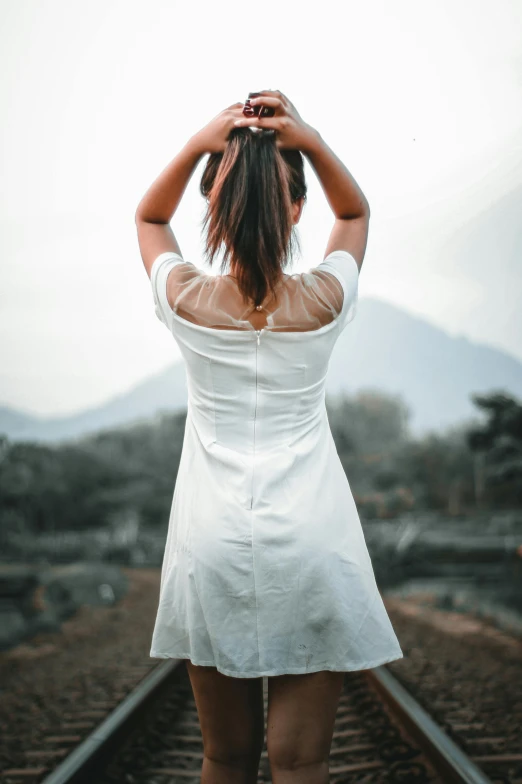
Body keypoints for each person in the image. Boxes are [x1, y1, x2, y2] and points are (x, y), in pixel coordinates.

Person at [135, 90, 403, 784]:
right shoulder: (322, 303)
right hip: (313, 541)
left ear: (215, 211)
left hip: (210, 542)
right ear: (296, 208)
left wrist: (206, 139)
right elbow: (357, 212)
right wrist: (304, 137)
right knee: (301, 762)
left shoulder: (187, 301)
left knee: (225, 756)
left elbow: (148, 215)